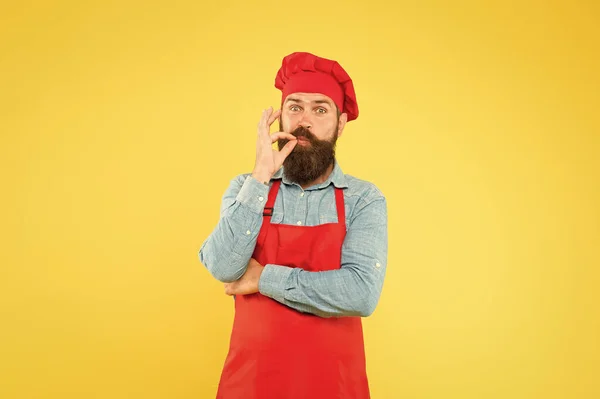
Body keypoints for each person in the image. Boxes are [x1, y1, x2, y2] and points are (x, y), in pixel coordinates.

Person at [198, 51, 388, 399]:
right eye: (295, 107)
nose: (305, 121)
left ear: (340, 123)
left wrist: (262, 278)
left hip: (333, 385)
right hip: (250, 384)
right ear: (280, 117)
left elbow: (360, 293)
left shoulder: (363, 198)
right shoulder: (245, 188)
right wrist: (260, 177)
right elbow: (224, 267)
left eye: (320, 109)